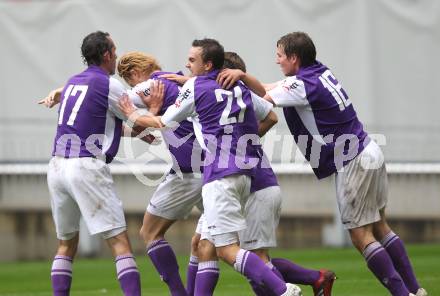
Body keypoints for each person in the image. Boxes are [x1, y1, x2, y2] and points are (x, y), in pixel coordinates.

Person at [118, 38, 301, 296]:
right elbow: (270, 113)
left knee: (224, 249)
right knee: (204, 245)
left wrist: (136, 113)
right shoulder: (234, 86)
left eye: (192, 60)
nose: (186, 64)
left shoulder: (178, 88)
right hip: (243, 174)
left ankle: (283, 290)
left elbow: (159, 120)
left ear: (208, 64)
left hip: (212, 174)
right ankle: (300, 283)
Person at [263, 31, 427, 296]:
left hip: (353, 161)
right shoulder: (320, 72)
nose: (277, 60)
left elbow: (266, 98)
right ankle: (415, 290)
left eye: (280, 55)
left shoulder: (302, 85)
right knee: (380, 226)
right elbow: (272, 87)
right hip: (369, 149)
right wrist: (242, 78)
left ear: (294, 58)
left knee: (361, 236)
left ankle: (402, 294)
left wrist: (231, 85)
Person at [187, 51, 336, 296]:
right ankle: (315, 278)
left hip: (256, 187)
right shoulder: (217, 104)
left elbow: (271, 115)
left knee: (248, 257)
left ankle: (302, 283)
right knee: (204, 245)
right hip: (240, 186)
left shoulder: (230, 103)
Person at [45, 31, 141, 295]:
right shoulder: (109, 84)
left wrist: (143, 133)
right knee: (120, 243)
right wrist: (156, 117)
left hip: (57, 166)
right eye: (115, 50)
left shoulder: (74, 82)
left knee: (66, 244)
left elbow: (102, 123)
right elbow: (136, 116)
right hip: (85, 166)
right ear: (107, 54)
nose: (117, 55)